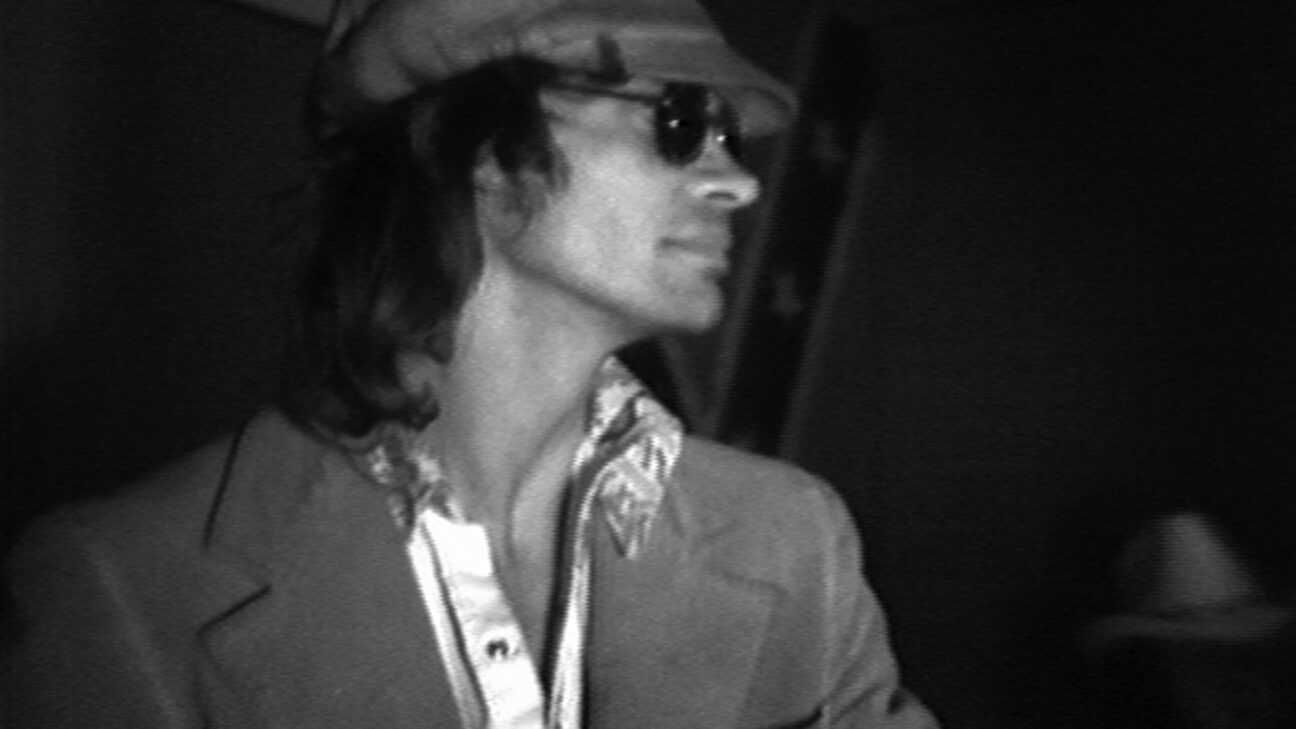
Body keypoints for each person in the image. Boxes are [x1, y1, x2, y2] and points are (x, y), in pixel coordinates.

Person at [2, 0, 939, 727]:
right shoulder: (121, 586)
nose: (738, 182)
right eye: (680, 121)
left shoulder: (795, 538)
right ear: (483, 150)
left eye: (731, 138)